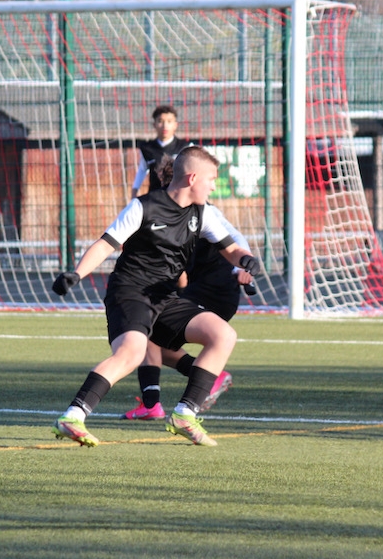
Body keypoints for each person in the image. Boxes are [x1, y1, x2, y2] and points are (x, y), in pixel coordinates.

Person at [50, 146, 261, 447]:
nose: (214, 185)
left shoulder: (204, 213)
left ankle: (185, 414)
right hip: (130, 291)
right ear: (192, 178)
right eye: (212, 179)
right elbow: (106, 244)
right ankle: (73, 416)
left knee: (223, 334)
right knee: (132, 353)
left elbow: (231, 248)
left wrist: (245, 260)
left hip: (166, 296)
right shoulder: (143, 207)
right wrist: (77, 273)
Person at [123, 157, 253, 421]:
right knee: (148, 338)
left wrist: (242, 266)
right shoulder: (169, 211)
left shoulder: (203, 210)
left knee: (147, 337)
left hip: (215, 289)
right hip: (200, 287)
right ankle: (165, 396)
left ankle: (161, 401)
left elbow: (235, 237)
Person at [130, 105, 190, 200]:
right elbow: (142, 170)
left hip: (178, 199)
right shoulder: (147, 148)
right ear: (154, 125)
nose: (165, 126)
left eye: (169, 121)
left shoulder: (185, 147)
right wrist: (134, 191)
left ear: (175, 125)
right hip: (155, 198)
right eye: (160, 121)